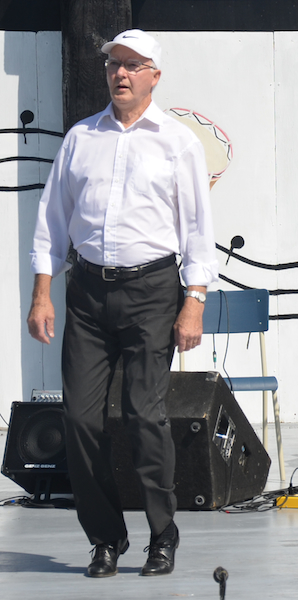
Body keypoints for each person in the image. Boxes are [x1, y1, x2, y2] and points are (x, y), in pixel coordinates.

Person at [26, 30, 217, 577]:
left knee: (142, 415)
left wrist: (194, 301)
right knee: (80, 421)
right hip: (85, 292)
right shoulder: (81, 139)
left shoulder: (178, 143)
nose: (122, 74)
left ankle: (163, 531)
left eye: (134, 65)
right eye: (114, 64)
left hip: (152, 291)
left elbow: (199, 232)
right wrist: (42, 293)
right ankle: (106, 538)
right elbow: (51, 226)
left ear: (155, 74)